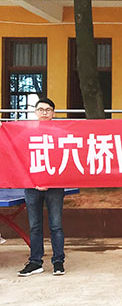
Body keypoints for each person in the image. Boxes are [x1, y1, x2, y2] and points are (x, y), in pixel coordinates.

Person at [18, 98, 67, 277]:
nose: (44, 112)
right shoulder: (27, 134)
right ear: (36, 112)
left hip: (55, 186)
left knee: (56, 225)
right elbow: (19, 156)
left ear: (53, 113)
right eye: (41, 109)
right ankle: (35, 262)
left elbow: (65, 159)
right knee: (35, 226)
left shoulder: (61, 134)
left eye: (48, 109)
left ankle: (58, 262)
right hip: (32, 185)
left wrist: (50, 181)